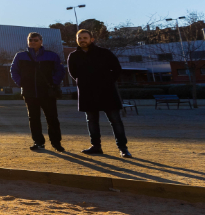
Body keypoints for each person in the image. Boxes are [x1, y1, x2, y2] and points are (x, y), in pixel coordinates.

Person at [67, 29, 132, 158]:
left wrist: (108, 82)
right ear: (76, 40)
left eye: (85, 37)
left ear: (92, 39)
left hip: (107, 92)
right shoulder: (73, 56)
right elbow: (73, 74)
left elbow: (117, 69)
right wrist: (85, 83)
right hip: (87, 93)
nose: (82, 40)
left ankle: (123, 148)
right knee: (91, 121)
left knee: (115, 121)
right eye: (79, 38)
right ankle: (96, 147)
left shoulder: (104, 53)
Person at [10, 32, 66, 152]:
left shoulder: (52, 56)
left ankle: (56, 143)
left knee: (52, 119)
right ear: (27, 41)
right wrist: (21, 83)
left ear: (41, 41)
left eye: (35, 40)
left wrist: (53, 83)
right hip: (29, 93)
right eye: (30, 40)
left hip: (47, 93)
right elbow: (14, 71)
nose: (33, 42)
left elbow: (60, 71)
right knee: (34, 119)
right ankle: (38, 142)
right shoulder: (20, 56)